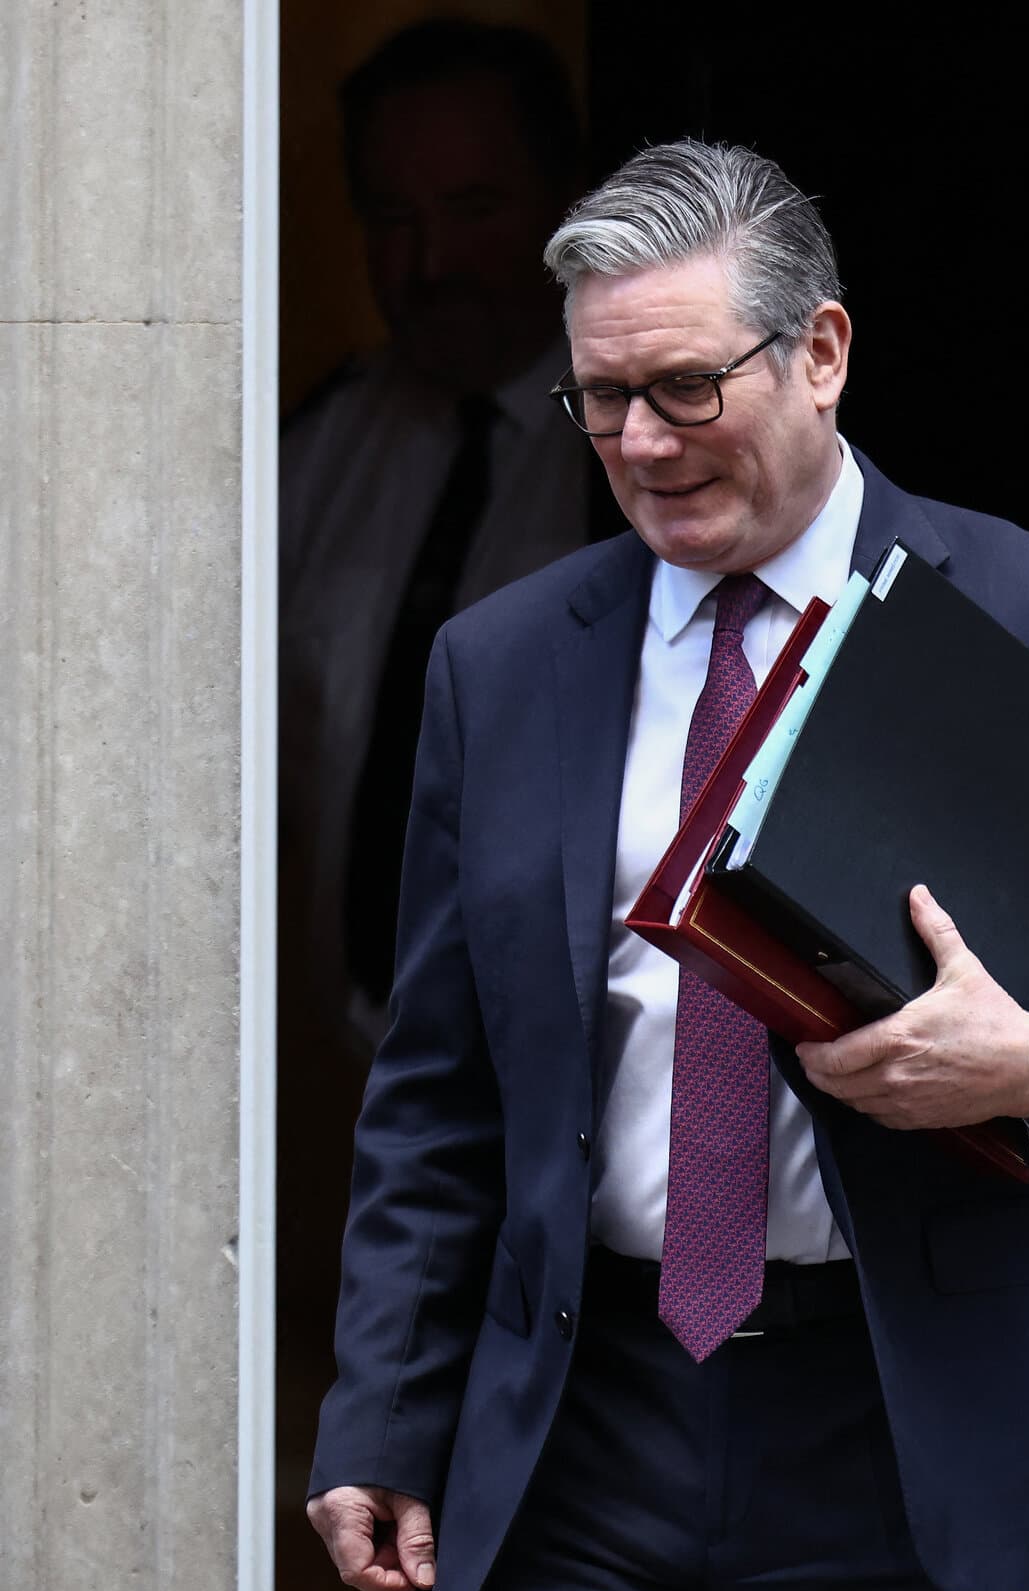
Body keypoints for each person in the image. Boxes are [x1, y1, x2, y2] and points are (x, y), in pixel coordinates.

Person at [306, 139, 1029, 1591]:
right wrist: (386, 1410)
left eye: (682, 388)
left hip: (911, 1431)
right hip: (579, 1435)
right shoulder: (508, 664)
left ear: (820, 352)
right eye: (598, 400)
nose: (636, 443)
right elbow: (439, 1088)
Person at [280, 18, 592, 1055]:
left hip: (593, 1079)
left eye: (473, 209)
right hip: (364, 1073)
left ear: (566, 206)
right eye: (392, 218)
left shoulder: (651, 449)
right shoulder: (320, 443)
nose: (431, 264)